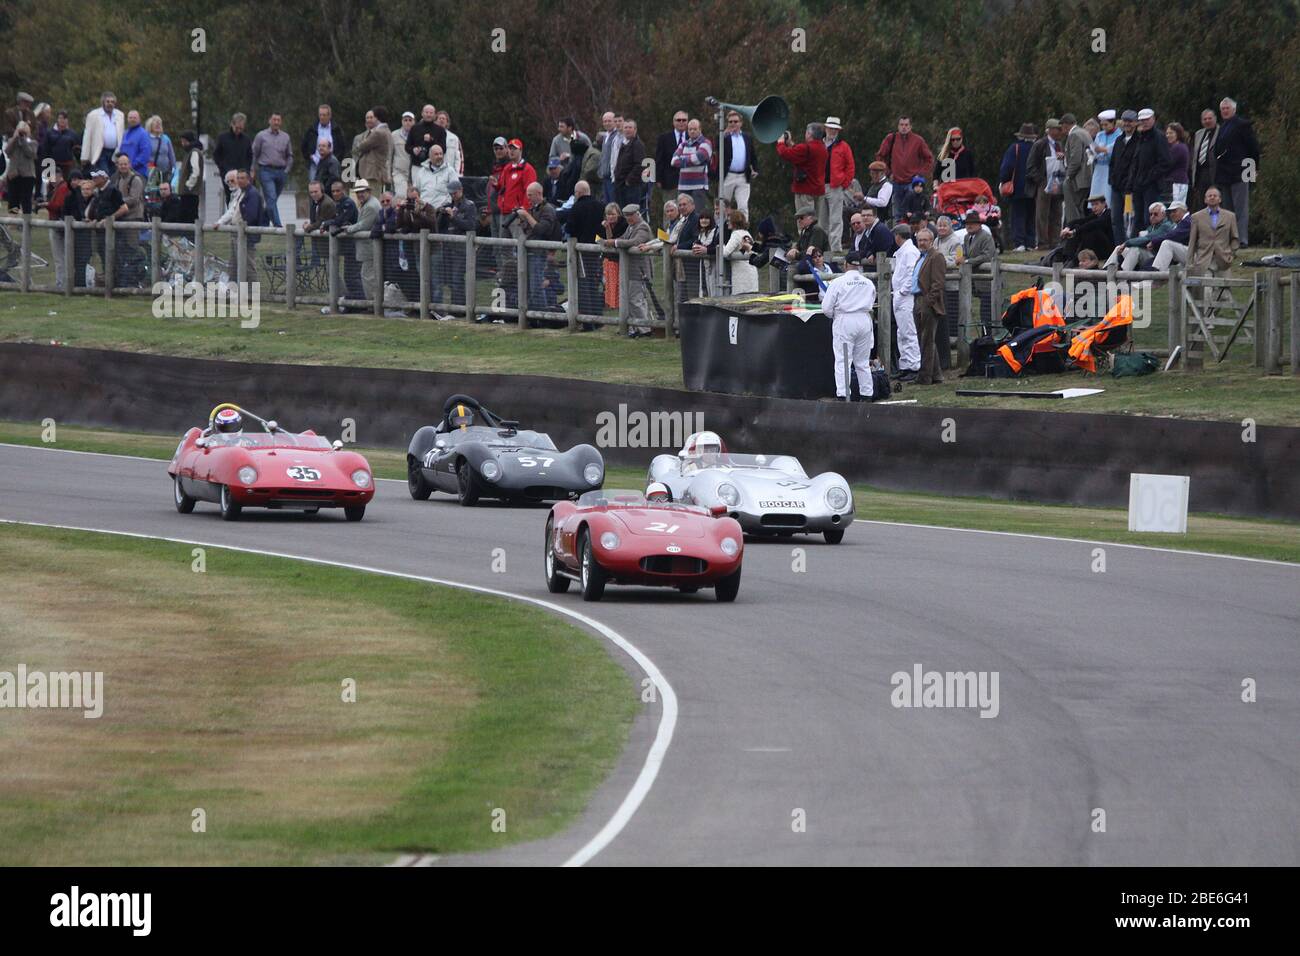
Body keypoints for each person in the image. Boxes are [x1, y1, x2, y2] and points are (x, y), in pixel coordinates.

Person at [819, 251, 876, 400]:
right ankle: (867, 394)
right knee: (863, 361)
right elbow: (872, 300)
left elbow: (826, 308)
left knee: (843, 360)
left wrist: (835, 316)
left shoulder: (838, 282)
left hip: (845, 321)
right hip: (864, 319)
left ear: (845, 264)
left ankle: (844, 395)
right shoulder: (868, 282)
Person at [1212, 97, 1259, 246]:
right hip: (1224, 173)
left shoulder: (1242, 125)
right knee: (1227, 209)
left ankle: (1242, 239)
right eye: (1223, 109)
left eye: (1227, 108)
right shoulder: (1223, 127)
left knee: (1240, 208)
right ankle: (1229, 238)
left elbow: (1253, 148)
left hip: (1240, 170)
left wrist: (1253, 169)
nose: (1225, 111)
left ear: (1234, 109)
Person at [876, 116, 933, 223]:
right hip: (895, 181)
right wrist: (888, 172)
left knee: (913, 213)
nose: (904, 127)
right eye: (901, 125)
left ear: (910, 126)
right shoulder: (891, 138)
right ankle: (898, 236)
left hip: (912, 183)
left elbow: (929, 159)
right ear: (898, 126)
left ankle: (914, 236)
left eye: (906, 125)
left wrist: (920, 174)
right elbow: (880, 156)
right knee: (897, 215)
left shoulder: (918, 140)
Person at [608, 203, 653, 333]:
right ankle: (634, 328)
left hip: (639, 271)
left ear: (637, 214)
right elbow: (623, 239)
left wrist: (615, 243)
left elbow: (634, 242)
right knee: (630, 300)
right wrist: (612, 241)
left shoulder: (642, 227)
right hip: (630, 270)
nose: (628, 218)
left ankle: (644, 329)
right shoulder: (631, 227)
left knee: (636, 300)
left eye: (630, 215)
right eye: (626, 216)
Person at [1128, 108, 1171, 238]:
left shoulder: (1159, 137)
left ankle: (1150, 244)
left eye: (1147, 119)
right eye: (1142, 120)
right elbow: (1136, 162)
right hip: (1138, 185)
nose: (1144, 122)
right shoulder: (1140, 138)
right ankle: (1135, 246)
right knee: (1138, 218)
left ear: (1153, 119)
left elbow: (1166, 162)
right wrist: (1132, 182)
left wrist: (1149, 177)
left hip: (1152, 185)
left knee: (1150, 218)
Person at [776, 122, 828, 226]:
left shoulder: (806, 148)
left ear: (809, 134)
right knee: (817, 221)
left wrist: (781, 142)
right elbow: (802, 156)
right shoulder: (823, 148)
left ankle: (805, 240)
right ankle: (816, 241)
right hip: (818, 189)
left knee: (804, 220)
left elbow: (785, 154)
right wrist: (791, 144)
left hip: (805, 190)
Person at [912, 229, 947, 385]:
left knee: (926, 340)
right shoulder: (921, 257)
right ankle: (936, 375)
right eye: (920, 240)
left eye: (925, 240)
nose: (922, 243)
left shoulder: (936, 256)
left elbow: (938, 283)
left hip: (926, 301)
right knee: (925, 339)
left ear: (932, 241)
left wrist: (928, 301)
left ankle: (925, 377)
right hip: (917, 299)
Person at [1186, 186, 1238, 285]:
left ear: (1220, 199)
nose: (1212, 197)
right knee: (1206, 290)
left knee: (1224, 292)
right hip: (1204, 259)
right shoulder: (1196, 217)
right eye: (1209, 196)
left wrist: (1231, 255)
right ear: (1205, 199)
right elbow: (1192, 241)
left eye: (1215, 195)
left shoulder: (1230, 216)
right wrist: (1190, 263)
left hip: (1223, 260)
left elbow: (1234, 238)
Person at [890, 222, 921, 381]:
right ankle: (905, 365)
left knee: (908, 332)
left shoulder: (909, 252)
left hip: (905, 297)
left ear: (897, 236)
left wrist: (902, 292)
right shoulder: (904, 251)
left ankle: (914, 366)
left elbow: (911, 274)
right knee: (902, 332)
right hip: (900, 296)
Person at [1027, 118, 1065, 250]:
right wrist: (1040, 180)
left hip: (1057, 180)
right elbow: (1031, 165)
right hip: (1044, 181)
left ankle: (1055, 241)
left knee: (1057, 212)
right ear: (1049, 130)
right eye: (1057, 129)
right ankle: (1043, 242)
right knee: (1042, 213)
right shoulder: (1040, 144)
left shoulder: (1060, 144)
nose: (1059, 131)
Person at [1105, 201, 1172, 271]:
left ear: (1163, 214)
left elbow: (1147, 239)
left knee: (1135, 249)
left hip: (1156, 258)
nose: (1152, 216)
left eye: (1155, 214)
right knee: (1118, 248)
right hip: (1148, 255)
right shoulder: (1151, 227)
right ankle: (1107, 272)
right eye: (1151, 214)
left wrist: (1126, 243)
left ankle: (1124, 277)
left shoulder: (1166, 226)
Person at [823, 117, 855, 253]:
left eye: (835, 129)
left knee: (835, 219)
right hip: (819, 186)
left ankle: (835, 247)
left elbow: (850, 166)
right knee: (821, 219)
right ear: (825, 129)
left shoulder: (843, 146)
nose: (832, 131)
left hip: (835, 186)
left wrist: (845, 183)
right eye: (830, 128)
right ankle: (822, 247)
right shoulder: (818, 144)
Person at [719, 110, 758, 219]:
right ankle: (721, 231)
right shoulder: (725, 137)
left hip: (743, 176)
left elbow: (752, 154)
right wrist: (723, 135)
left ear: (740, 123)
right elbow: (716, 149)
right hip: (728, 176)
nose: (733, 124)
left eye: (735, 121)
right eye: (730, 122)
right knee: (723, 205)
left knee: (743, 205)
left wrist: (755, 168)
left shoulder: (747, 137)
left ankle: (743, 229)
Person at [1058, 194, 1115, 266]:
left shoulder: (1108, 214)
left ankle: (1075, 259)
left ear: (1104, 204)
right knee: (1078, 226)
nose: (1094, 207)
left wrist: (1074, 232)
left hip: (1107, 249)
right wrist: (1067, 228)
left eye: (1096, 204)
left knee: (1090, 230)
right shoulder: (1095, 215)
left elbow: (1093, 224)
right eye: (1092, 205)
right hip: (1096, 247)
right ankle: (1069, 257)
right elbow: (1077, 221)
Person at [81, 92, 125, 176]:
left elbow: (121, 134)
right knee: (104, 175)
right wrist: (84, 156)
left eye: (112, 102)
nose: (110, 104)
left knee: (114, 175)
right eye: (108, 101)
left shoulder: (120, 115)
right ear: (103, 102)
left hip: (115, 152)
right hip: (101, 151)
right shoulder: (93, 115)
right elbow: (87, 136)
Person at [1061, 113, 1093, 223]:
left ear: (1065, 125)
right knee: (1080, 208)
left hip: (1076, 179)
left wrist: (1068, 176)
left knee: (1072, 210)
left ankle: (1074, 235)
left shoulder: (1074, 135)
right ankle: (1081, 235)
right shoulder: (1085, 133)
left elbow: (1075, 159)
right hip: (1087, 178)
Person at [302, 104, 345, 182]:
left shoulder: (336, 129)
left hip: (331, 162)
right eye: (320, 115)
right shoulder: (312, 129)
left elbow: (342, 146)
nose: (322, 117)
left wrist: (337, 159)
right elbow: (304, 145)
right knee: (314, 187)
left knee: (332, 184)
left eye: (324, 115)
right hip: (315, 163)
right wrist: (309, 156)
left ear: (329, 116)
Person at [3, 122, 38, 213]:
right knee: (13, 200)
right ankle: (13, 222)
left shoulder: (33, 142)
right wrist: (15, 138)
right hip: (13, 174)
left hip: (27, 175)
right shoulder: (12, 141)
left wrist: (23, 140)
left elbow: (31, 154)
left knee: (26, 200)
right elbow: (7, 151)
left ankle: (26, 222)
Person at [613, 119, 647, 211]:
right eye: (626, 127)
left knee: (631, 212)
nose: (627, 130)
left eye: (630, 127)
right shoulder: (623, 144)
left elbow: (640, 165)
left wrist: (628, 180)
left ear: (635, 130)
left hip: (632, 187)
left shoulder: (637, 144)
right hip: (620, 185)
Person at [1091, 110, 1121, 211]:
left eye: (1106, 124)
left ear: (1113, 123)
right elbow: (1095, 148)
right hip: (1099, 169)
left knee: (1108, 195)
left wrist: (1103, 150)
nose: (1104, 127)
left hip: (1110, 169)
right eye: (1102, 125)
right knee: (1097, 195)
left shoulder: (1119, 135)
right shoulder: (1100, 135)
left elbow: (1115, 149)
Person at [1189, 109, 1219, 212]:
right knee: (1202, 205)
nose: (1207, 121)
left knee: (1215, 203)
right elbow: (1194, 156)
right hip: (1201, 174)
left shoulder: (1220, 132)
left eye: (1210, 118)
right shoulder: (1199, 134)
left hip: (1215, 174)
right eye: (1204, 119)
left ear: (1215, 119)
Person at [723, 210, 758, 294]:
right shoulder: (746, 233)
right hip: (751, 271)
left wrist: (721, 245)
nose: (727, 223)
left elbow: (725, 252)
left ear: (734, 222)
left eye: (729, 221)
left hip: (741, 274)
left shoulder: (736, 234)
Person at [600, 202, 626, 310]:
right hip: (608, 257)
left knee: (617, 282)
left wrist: (608, 231)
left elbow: (612, 239)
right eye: (608, 214)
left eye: (613, 214)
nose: (610, 217)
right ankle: (610, 303)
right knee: (609, 282)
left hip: (619, 258)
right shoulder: (605, 225)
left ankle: (619, 303)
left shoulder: (623, 224)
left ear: (618, 214)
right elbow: (605, 239)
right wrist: (606, 228)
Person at [1165, 122, 1190, 207]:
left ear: (1178, 134)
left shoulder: (1179, 147)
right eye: (1167, 133)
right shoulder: (1172, 147)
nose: (1168, 135)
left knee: (1177, 208)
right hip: (1176, 182)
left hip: (1178, 183)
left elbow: (1168, 164)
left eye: (1171, 133)